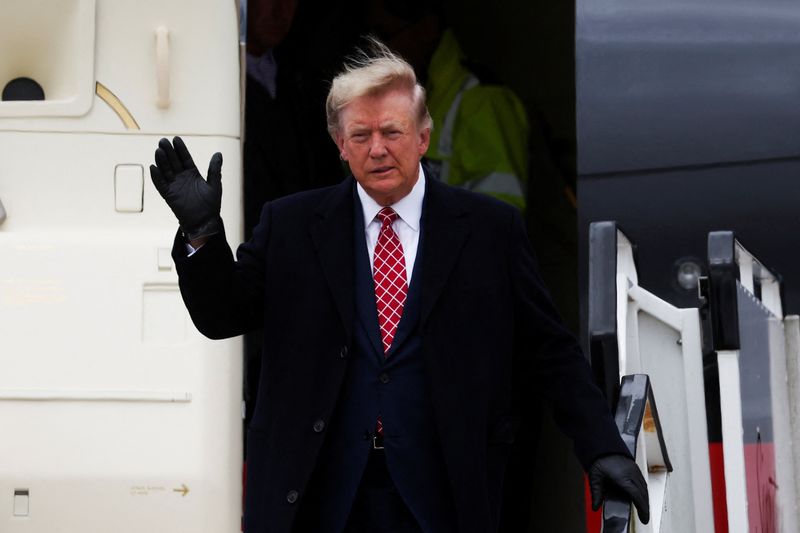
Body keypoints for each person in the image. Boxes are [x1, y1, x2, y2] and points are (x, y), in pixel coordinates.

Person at [149, 39, 648, 533]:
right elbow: (222, 316)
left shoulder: (488, 229)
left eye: (392, 131)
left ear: (423, 136)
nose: (378, 149)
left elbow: (549, 349)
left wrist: (601, 446)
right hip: (318, 494)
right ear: (340, 145)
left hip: (443, 493)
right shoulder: (292, 224)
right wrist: (202, 234)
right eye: (361, 135)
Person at [365, 0, 529, 210]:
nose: (376, 50)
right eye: (370, 38)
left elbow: (499, 223)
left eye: (384, 35)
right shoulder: (406, 100)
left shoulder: (481, 101)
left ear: (427, 28)